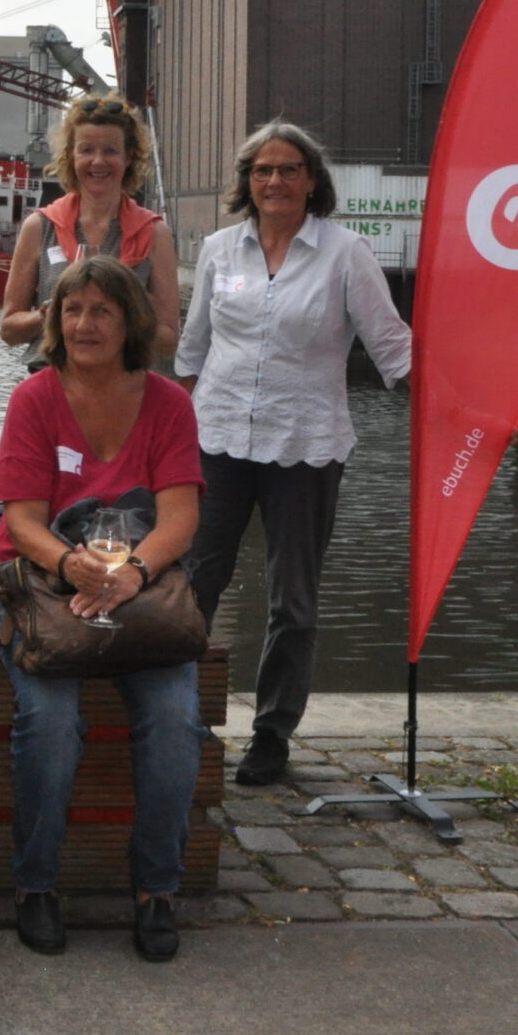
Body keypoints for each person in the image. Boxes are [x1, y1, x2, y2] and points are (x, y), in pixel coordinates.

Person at [176, 120, 411, 789]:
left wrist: (463, 410)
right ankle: (179, 718)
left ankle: (272, 733)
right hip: (218, 437)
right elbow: (193, 349)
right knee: (193, 586)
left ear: (312, 181)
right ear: (246, 182)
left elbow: (392, 347)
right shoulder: (220, 250)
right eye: (262, 170)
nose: (274, 181)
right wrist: (170, 434)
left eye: (288, 169)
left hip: (305, 445)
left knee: (294, 601)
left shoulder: (346, 253)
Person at [0, 256, 207, 963]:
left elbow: (180, 518)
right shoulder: (34, 399)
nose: (84, 324)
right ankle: (36, 884)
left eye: (101, 311)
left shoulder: (169, 403)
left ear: (129, 322)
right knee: (49, 722)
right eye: (72, 309)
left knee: (175, 721)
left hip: (137, 593)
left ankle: (156, 889)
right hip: (44, 589)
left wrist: (134, 574)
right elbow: (21, 521)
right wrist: (71, 564)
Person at [0, 93, 182, 365]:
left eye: (110, 150)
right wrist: (50, 314)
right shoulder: (39, 227)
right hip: (52, 380)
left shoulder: (154, 233)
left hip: (123, 384)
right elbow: (9, 331)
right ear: (71, 156)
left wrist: (130, 313)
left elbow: (168, 341)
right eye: (86, 150)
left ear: (129, 157)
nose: (98, 161)